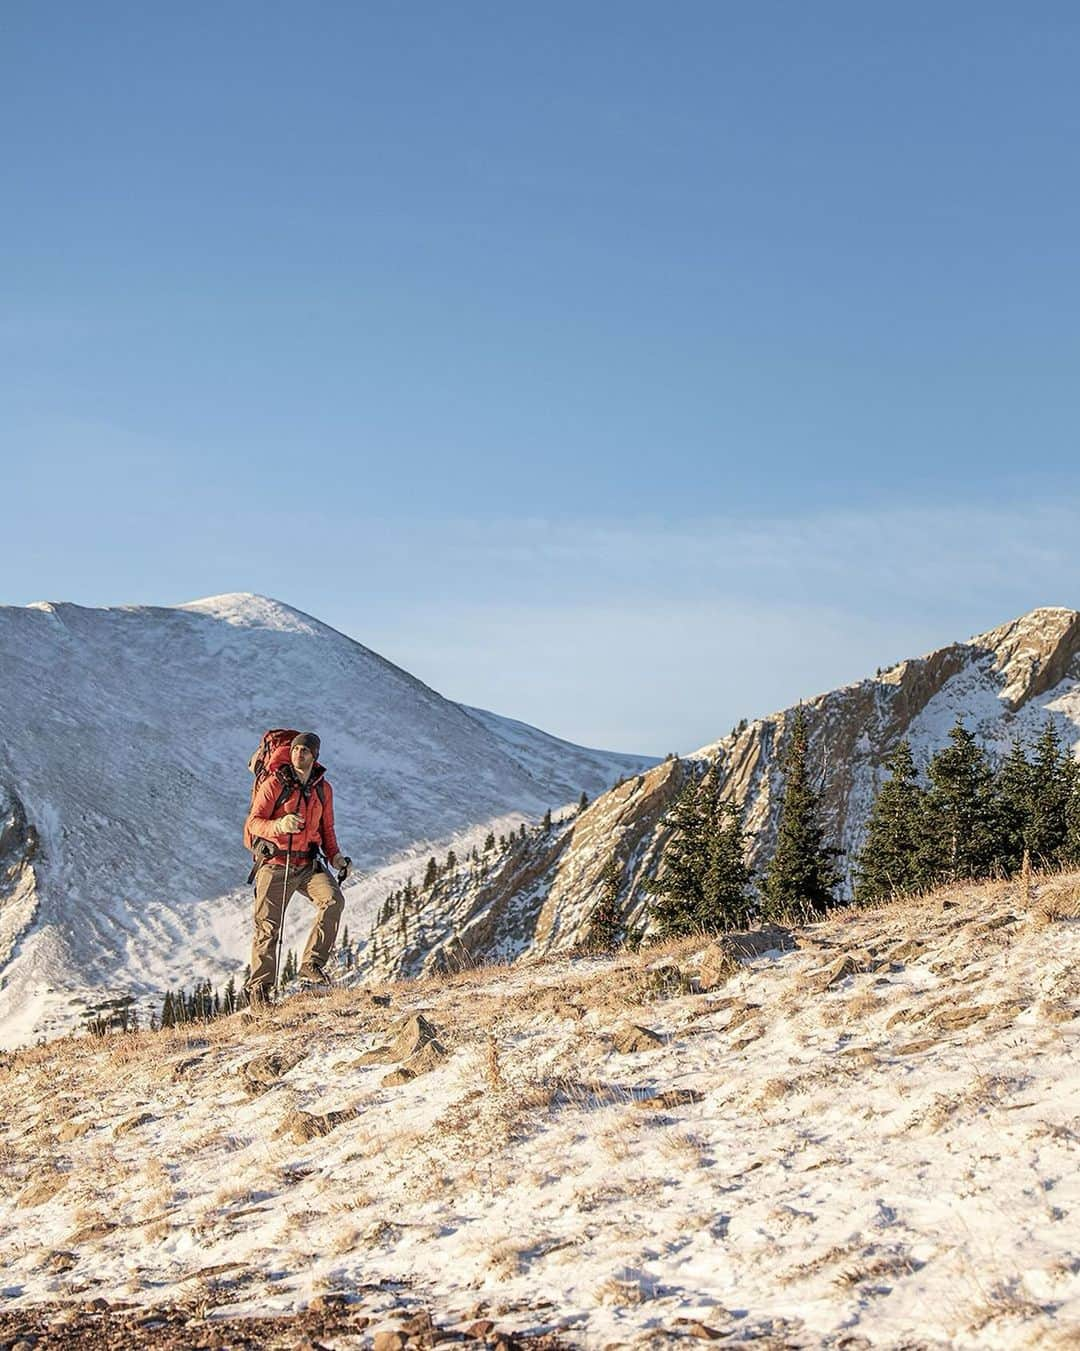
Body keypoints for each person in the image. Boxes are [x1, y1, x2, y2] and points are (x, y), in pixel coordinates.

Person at [244, 731, 350, 1003]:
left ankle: (311, 963)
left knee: (333, 900)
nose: (298, 754)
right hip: (276, 863)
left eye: (304, 750)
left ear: (315, 756)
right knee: (268, 927)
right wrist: (278, 825)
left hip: (307, 862)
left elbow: (326, 829)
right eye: (294, 750)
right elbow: (254, 822)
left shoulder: (323, 789)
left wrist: (336, 857)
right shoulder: (274, 784)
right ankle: (260, 990)